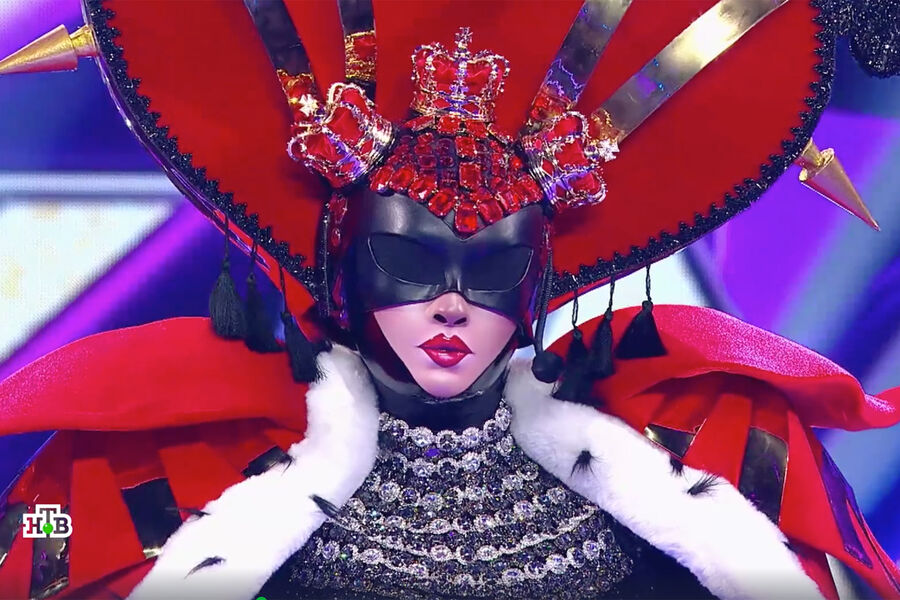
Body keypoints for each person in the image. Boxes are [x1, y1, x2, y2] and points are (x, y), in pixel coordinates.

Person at [1, 1, 899, 599]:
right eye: (408, 259)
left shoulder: (709, 455)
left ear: (538, 275)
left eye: (495, 267)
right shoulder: (156, 468)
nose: (453, 304)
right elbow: (44, 535)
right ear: (345, 264)